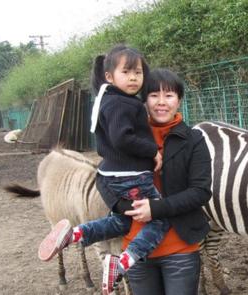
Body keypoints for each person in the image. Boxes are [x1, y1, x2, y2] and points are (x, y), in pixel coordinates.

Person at [37, 45, 168, 295]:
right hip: (130, 177)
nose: (133, 77)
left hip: (111, 174)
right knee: (160, 217)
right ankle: (125, 261)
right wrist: (152, 150)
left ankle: (75, 234)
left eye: (138, 72)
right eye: (126, 71)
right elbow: (122, 138)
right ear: (109, 76)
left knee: (120, 221)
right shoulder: (123, 104)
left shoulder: (105, 100)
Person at [122, 68, 212, 295]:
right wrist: (123, 207)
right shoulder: (129, 139)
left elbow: (200, 191)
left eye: (169, 95)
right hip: (136, 250)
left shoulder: (194, 140)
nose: (161, 102)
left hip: (180, 248)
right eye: (154, 95)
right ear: (144, 101)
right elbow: (107, 182)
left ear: (179, 100)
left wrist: (156, 208)